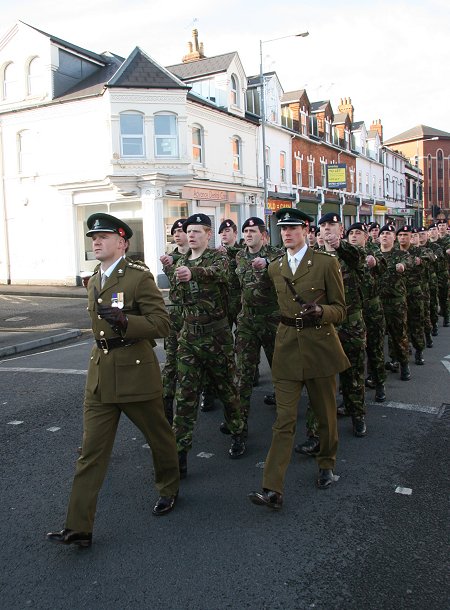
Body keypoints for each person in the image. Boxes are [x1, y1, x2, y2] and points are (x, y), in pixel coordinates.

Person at [47, 213, 180, 548]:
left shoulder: (137, 277)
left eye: (104, 236)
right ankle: (78, 526)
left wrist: (126, 321)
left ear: (122, 243)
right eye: (93, 237)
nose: (96, 241)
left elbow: (162, 323)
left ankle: (169, 487)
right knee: (90, 452)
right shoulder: (94, 279)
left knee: (159, 437)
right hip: (101, 376)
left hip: (135, 371)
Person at [248, 208, 349, 509]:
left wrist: (322, 312)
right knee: (284, 419)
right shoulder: (275, 267)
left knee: (326, 415)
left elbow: (341, 310)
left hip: (320, 346)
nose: (287, 234)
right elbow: (263, 300)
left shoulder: (325, 263)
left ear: (307, 231)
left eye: (293, 228)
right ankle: (272, 488)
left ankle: (326, 463)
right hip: (288, 347)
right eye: (283, 229)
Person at [173, 213, 245, 478]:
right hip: (189, 339)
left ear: (208, 234)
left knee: (227, 388)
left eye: (196, 231)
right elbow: (177, 297)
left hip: (216, 338)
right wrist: (178, 272)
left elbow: (219, 274)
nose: (191, 235)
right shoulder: (181, 261)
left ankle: (238, 431)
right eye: (188, 231)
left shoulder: (219, 257)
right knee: (186, 396)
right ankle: (179, 453)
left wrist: (193, 272)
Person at [225, 217, 285, 438]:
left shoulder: (277, 255)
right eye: (245, 231)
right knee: (243, 376)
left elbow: (287, 279)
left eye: (252, 231)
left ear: (263, 235)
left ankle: (284, 416)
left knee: (279, 370)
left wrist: (269, 266)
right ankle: (239, 429)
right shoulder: (240, 256)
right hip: (247, 322)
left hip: (272, 321)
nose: (248, 234)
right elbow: (234, 287)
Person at [348, 222, 387, 403]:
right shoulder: (345, 254)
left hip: (372, 310)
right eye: (351, 233)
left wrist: (375, 261)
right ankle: (351, 394)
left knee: (375, 349)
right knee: (353, 356)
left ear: (366, 236)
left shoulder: (373, 251)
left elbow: (381, 265)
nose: (354, 236)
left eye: (358, 233)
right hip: (353, 312)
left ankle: (379, 384)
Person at [160, 218, 189, 424]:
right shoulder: (170, 258)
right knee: (171, 361)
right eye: (174, 232)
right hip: (176, 316)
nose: (177, 235)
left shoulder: (203, 256)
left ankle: (207, 393)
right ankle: (166, 405)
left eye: (181, 231)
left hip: (195, 316)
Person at [378, 224, 412, 381]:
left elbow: (409, 262)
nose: (385, 235)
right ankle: (376, 374)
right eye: (382, 233)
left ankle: (404, 364)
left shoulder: (400, 254)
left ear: (394, 237)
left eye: (388, 233)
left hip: (396, 303)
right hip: (377, 303)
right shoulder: (373, 255)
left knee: (399, 336)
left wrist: (402, 266)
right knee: (376, 340)